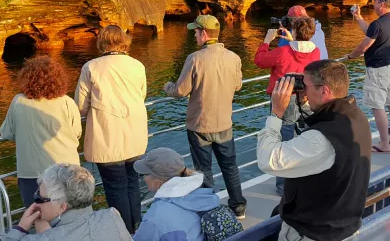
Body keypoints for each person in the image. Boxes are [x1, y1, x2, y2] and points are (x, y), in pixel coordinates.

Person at [257, 60, 372, 241]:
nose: (303, 90)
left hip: (312, 233)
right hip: (342, 228)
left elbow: (267, 160)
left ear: (324, 90)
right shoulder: (355, 117)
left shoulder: (321, 139)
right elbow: (314, 141)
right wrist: (304, 105)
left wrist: (276, 113)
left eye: (306, 85)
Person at [164, 15, 247, 219]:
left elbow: (180, 91)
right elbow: (238, 85)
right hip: (224, 123)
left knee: (203, 170)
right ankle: (238, 207)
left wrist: (167, 87)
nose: (194, 34)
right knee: (230, 166)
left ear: (204, 33)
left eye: (195, 31)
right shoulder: (234, 58)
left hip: (199, 125)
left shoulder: (195, 58)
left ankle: (210, 208)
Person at [75, 25, 148, 234]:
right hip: (134, 133)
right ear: (123, 41)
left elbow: (81, 105)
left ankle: (122, 232)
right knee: (133, 182)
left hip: (107, 135)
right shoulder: (137, 65)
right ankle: (136, 226)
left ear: (103, 42)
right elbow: (141, 94)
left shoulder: (91, 67)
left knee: (114, 186)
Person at [0, 56, 82, 209]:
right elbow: (76, 132)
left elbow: (7, 133)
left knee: (37, 215)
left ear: (26, 78)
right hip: (66, 169)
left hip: (31, 171)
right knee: (69, 213)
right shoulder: (66, 102)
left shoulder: (19, 101)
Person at [254, 16, 321, 195]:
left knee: (283, 142)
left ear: (294, 31)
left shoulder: (282, 52)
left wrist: (266, 41)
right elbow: (300, 55)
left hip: (284, 100)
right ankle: (305, 177)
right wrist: (293, 39)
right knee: (305, 137)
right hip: (306, 99)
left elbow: (260, 61)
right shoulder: (316, 52)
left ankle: (283, 186)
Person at [345, 0, 390, 154]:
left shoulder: (378, 24)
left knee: (377, 106)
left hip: (379, 69)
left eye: (375, 2)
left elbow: (363, 46)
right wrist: (358, 17)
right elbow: (371, 32)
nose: (373, 5)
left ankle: (384, 144)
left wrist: (351, 56)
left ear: (382, 4)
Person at [9, 163, 132, 241]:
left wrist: (21, 228)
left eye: (39, 198)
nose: (35, 203)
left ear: (62, 207)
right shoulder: (112, 216)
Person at [132, 148, 226, 241]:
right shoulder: (206, 194)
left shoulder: (155, 218)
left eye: (143, 175)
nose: (143, 178)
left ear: (158, 181)